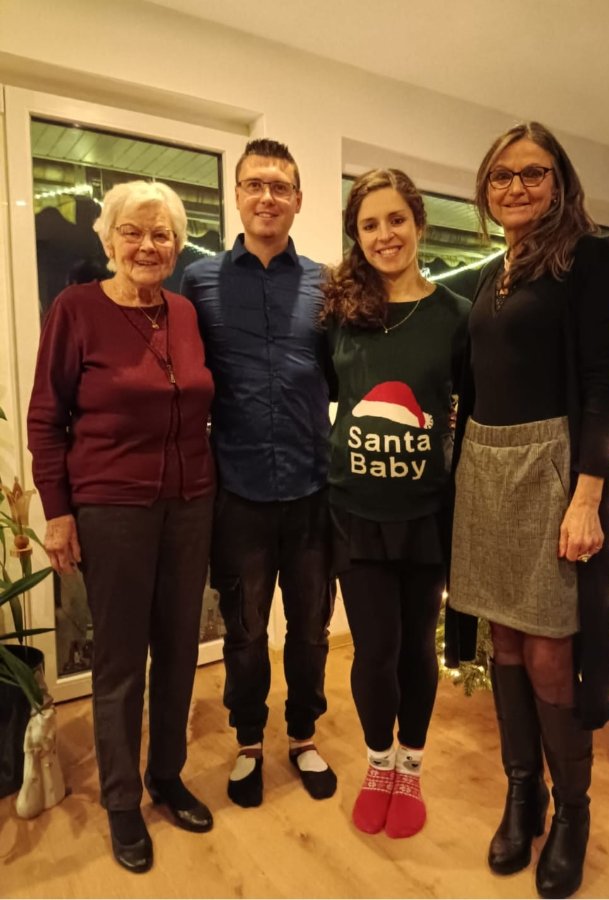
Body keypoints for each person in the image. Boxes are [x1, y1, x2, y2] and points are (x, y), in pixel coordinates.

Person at [446, 122, 609, 898]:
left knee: (551, 644)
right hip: (484, 467)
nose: (515, 186)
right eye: (501, 176)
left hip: (550, 468)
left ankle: (572, 813)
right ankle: (522, 793)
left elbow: (601, 382)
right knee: (505, 638)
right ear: (485, 189)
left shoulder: (585, 259)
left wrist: (586, 495)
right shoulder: (494, 272)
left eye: (533, 173)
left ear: (558, 183)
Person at [27, 181, 215, 874]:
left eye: (161, 234)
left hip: (190, 503)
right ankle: (121, 799)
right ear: (108, 240)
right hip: (112, 507)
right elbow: (45, 417)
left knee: (180, 648)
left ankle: (166, 775)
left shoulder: (184, 312)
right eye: (132, 232)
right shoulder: (76, 309)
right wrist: (57, 511)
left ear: (176, 244)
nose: (146, 245)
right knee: (119, 660)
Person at [181, 139, 337, 808]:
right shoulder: (199, 283)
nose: (267, 196)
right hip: (237, 491)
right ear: (237, 194)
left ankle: (302, 734)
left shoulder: (328, 285)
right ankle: (248, 742)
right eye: (255, 184)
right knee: (244, 632)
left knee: (310, 628)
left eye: (280, 186)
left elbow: (343, 375)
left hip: (313, 489)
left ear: (297, 200)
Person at [322, 169, 470, 839]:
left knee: (415, 648)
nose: (385, 235)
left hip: (427, 516)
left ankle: (409, 767)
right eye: (370, 224)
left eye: (396, 219)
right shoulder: (341, 316)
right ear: (356, 236)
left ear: (418, 223)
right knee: (373, 650)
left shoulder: (455, 317)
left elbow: (471, 409)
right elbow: (329, 393)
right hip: (354, 512)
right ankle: (377, 763)